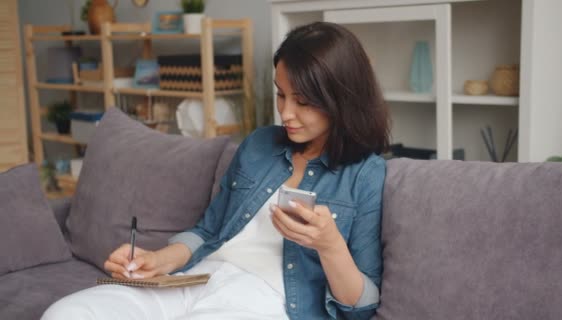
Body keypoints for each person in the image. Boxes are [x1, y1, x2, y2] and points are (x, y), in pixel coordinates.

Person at [43, 21, 390, 320]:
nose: (285, 113)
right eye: (280, 95)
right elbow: (209, 231)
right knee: (66, 313)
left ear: (340, 99)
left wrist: (329, 245)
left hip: (265, 300)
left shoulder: (364, 173)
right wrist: (157, 260)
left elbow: (360, 305)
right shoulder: (260, 144)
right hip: (200, 277)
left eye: (302, 101)